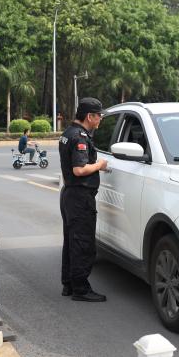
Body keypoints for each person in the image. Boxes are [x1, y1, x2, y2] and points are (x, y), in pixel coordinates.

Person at [59, 97, 109, 302]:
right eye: (99, 116)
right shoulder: (79, 137)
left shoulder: (67, 133)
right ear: (90, 116)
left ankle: (69, 284)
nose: (100, 120)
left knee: (72, 241)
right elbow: (79, 169)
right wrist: (100, 165)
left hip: (70, 195)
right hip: (80, 197)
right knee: (83, 243)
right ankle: (80, 289)